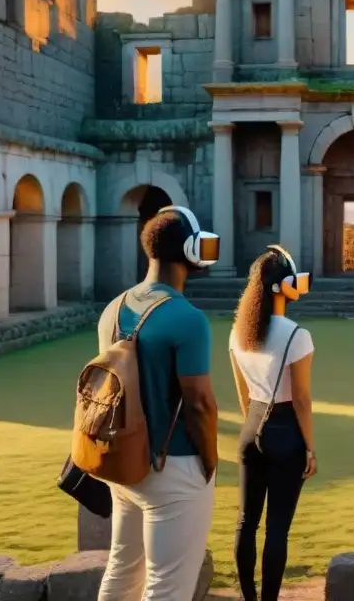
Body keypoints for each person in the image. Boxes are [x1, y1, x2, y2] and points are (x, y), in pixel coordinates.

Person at [96, 206, 220, 601]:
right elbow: (199, 402)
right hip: (174, 464)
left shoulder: (112, 308)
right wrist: (210, 460)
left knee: (121, 571)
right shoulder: (187, 318)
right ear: (190, 249)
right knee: (167, 588)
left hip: (124, 461)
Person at [229, 245, 318, 601]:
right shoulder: (297, 335)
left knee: (246, 521)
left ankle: (249, 597)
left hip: (251, 428)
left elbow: (243, 396)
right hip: (286, 432)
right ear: (282, 287)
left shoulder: (239, 333)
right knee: (276, 528)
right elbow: (301, 400)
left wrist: (254, 428)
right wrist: (310, 446)